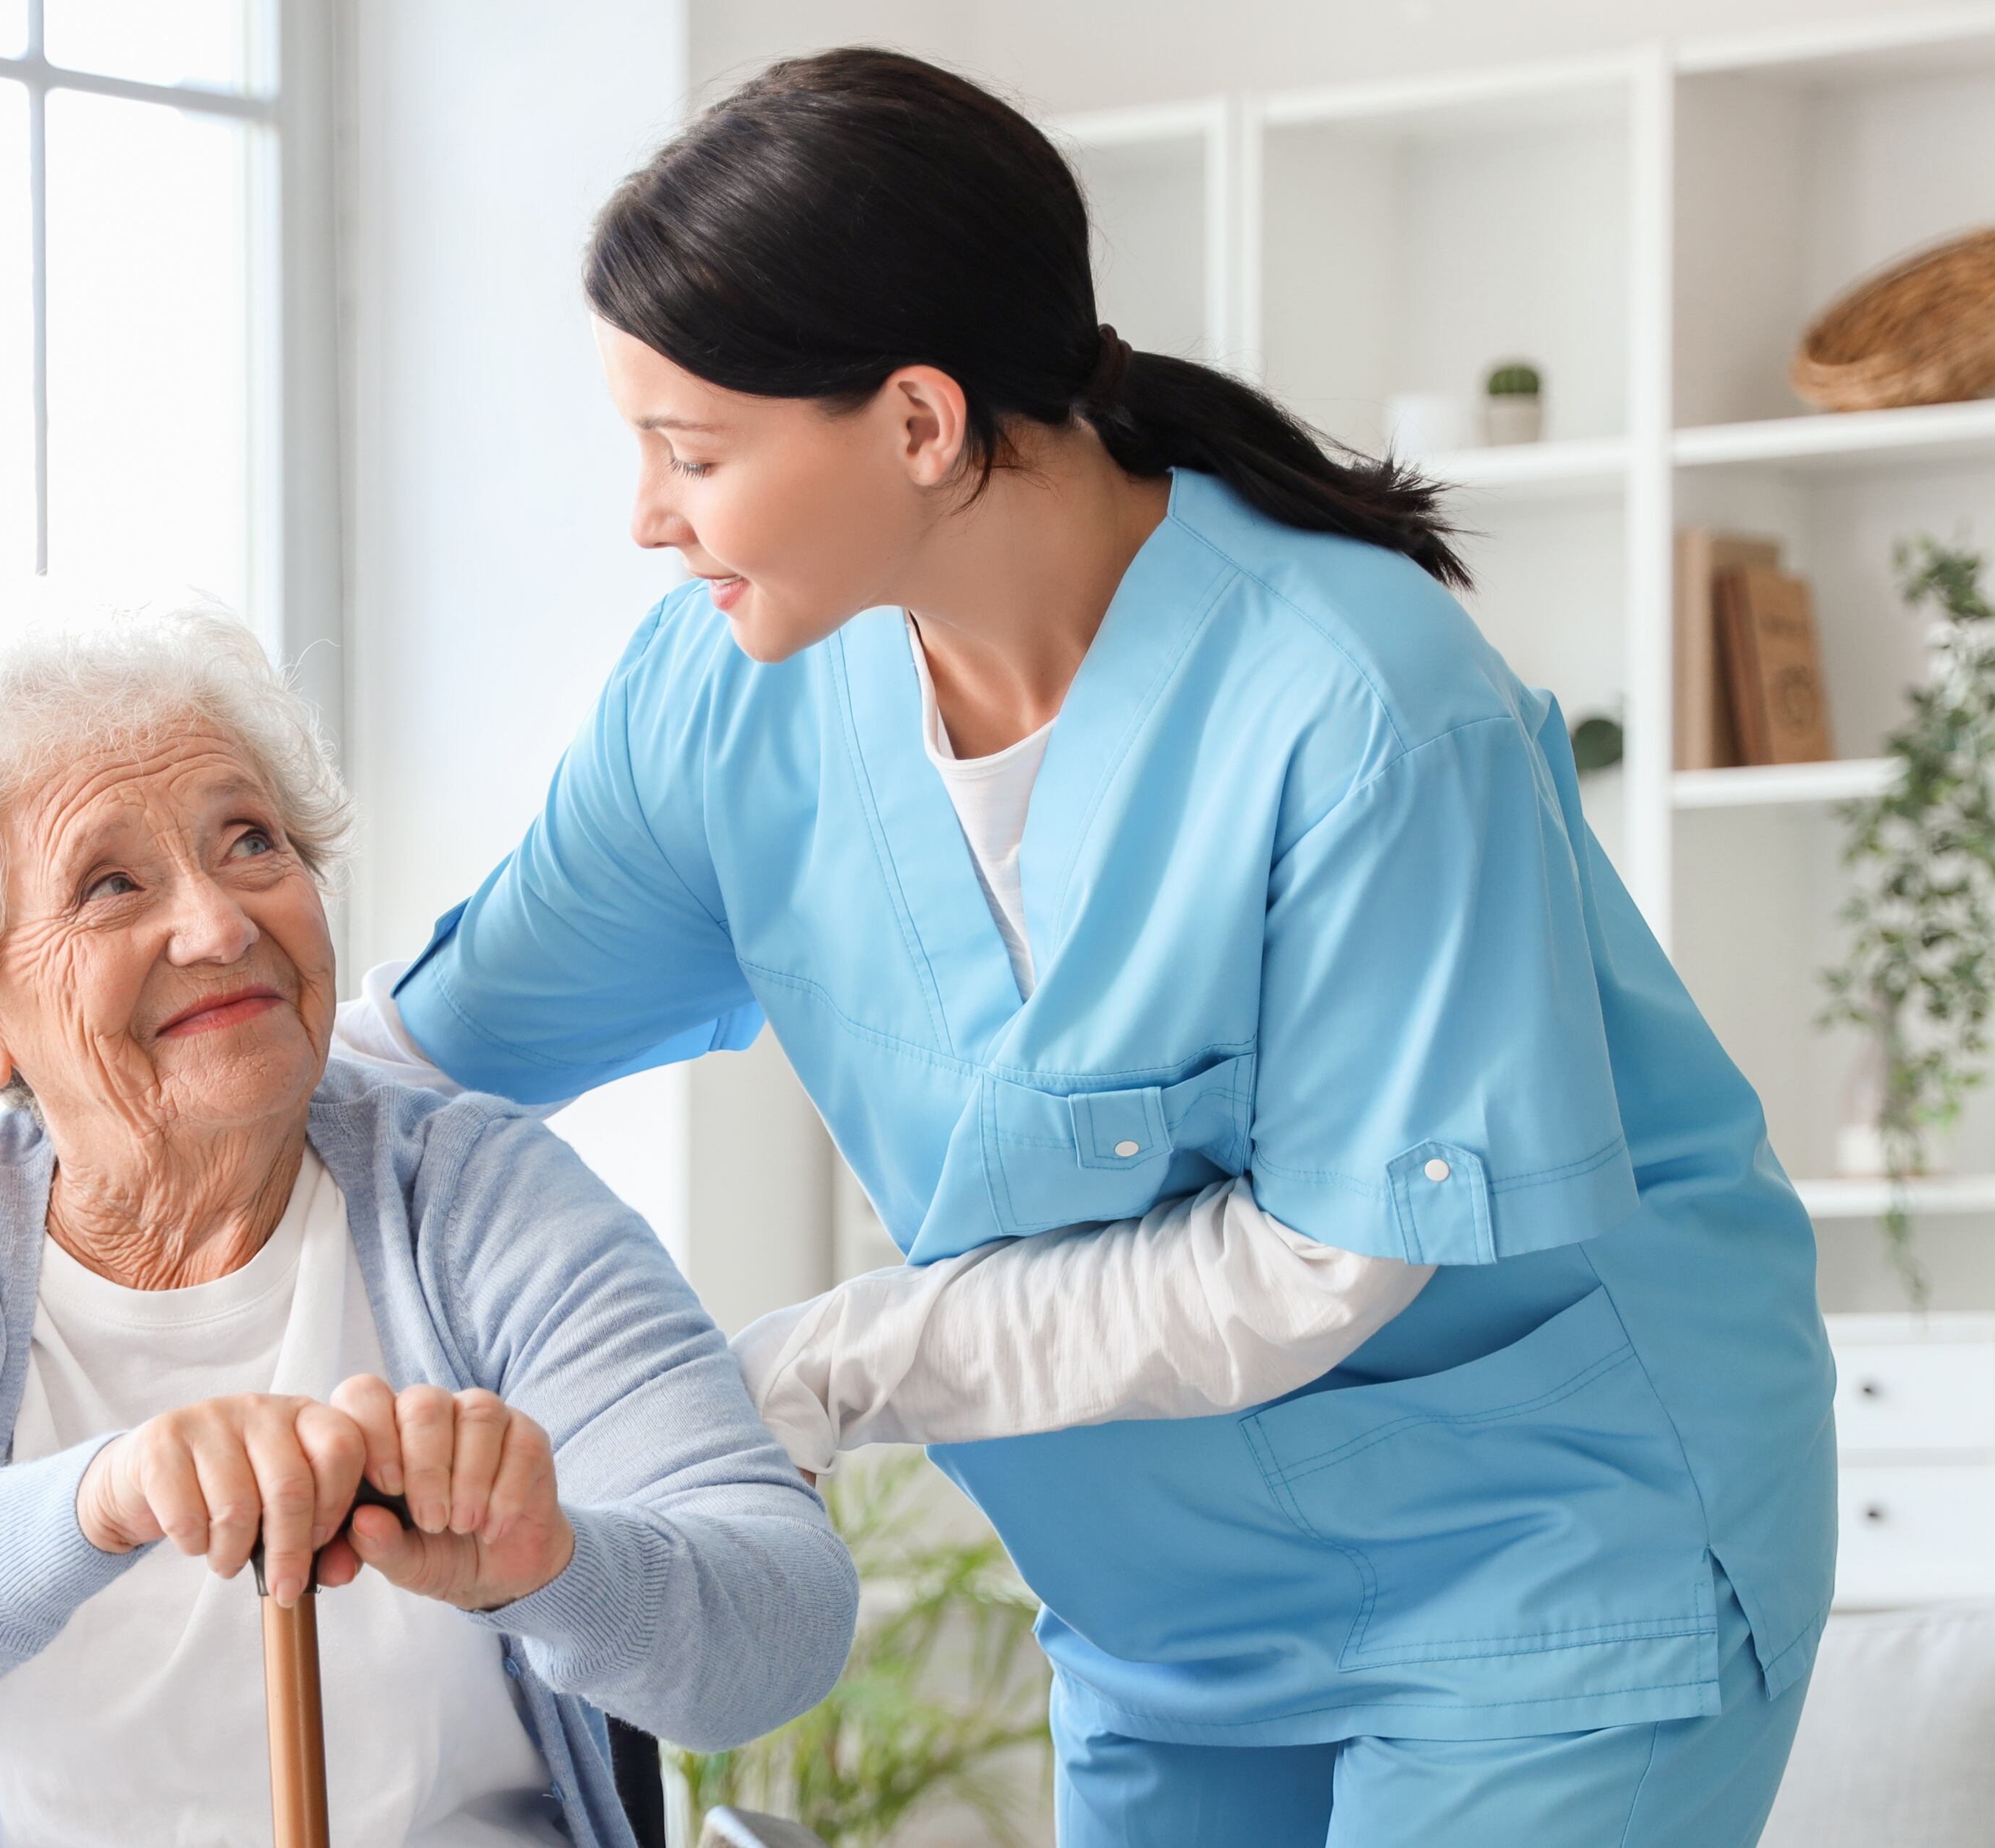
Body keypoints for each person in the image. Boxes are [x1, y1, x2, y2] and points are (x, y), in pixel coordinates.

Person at [331, 47, 1839, 1848]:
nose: (647, 516)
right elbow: (407, 1068)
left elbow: (1316, 1266)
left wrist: (799, 1376)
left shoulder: (1356, 705)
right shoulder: (721, 702)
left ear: (916, 422)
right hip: (1160, 1613)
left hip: (1547, 1567)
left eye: (693, 451)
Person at [0, 603, 857, 1848]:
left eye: (251, 843)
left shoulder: (487, 1199)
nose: (222, 923)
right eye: (111, 883)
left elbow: (782, 1632)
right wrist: (101, 1499)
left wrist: (552, 1564)